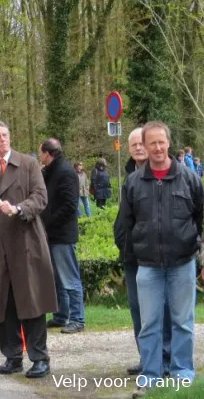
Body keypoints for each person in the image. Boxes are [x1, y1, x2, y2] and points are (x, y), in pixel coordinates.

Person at [0, 120, 56, 379]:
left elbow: (40, 197)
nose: (3, 139)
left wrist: (18, 209)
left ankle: (39, 358)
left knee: (32, 302)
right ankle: (12, 356)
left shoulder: (28, 164)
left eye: (5, 134)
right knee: (3, 304)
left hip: (27, 243)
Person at [118, 122, 202, 399]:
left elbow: (201, 219)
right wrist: (132, 259)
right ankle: (151, 375)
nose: (156, 148)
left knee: (182, 322)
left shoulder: (189, 179)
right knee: (149, 323)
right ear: (144, 144)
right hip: (147, 267)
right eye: (150, 143)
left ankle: (182, 373)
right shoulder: (133, 183)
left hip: (183, 263)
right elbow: (127, 225)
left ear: (169, 142)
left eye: (160, 142)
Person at [114, 127, 171, 376]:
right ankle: (146, 357)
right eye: (134, 144)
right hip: (132, 257)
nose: (138, 148)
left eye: (141, 143)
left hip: (159, 256)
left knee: (163, 308)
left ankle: (166, 359)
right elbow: (124, 219)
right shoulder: (129, 175)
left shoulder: (162, 173)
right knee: (138, 310)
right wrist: (123, 243)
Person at [39, 139, 85, 334]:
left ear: (48, 153)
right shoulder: (52, 172)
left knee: (69, 277)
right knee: (57, 278)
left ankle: (77, 318)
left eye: (40, 153)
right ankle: (61, 315)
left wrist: (47, 223)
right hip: (53, 234)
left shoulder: (65, 172)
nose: (39, 156)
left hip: (62, 234)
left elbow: (69, 206)